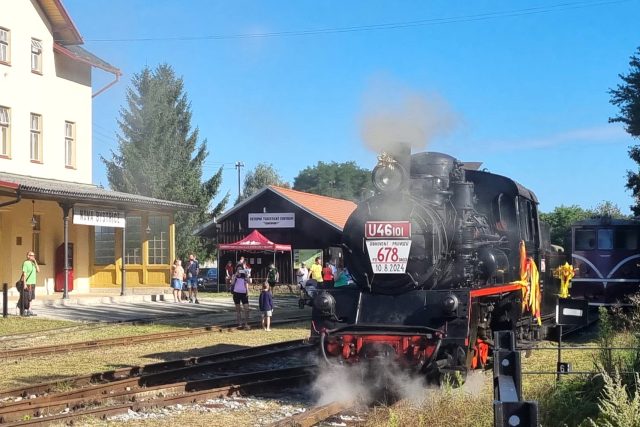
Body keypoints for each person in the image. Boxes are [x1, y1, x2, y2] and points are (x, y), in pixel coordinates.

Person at [18, 251, 40, 316]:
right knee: (27, 297)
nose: (33, 256)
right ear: (28, 256)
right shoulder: (25, 263)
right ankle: (25, 310)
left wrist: (35, 261)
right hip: (28, 283)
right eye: (31, 255)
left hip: (33, 282)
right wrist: (24, 283)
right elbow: (24, 274)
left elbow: (38, 270)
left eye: (34, 255)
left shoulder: (33, 263)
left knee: (31, 297)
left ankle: (30, 310)